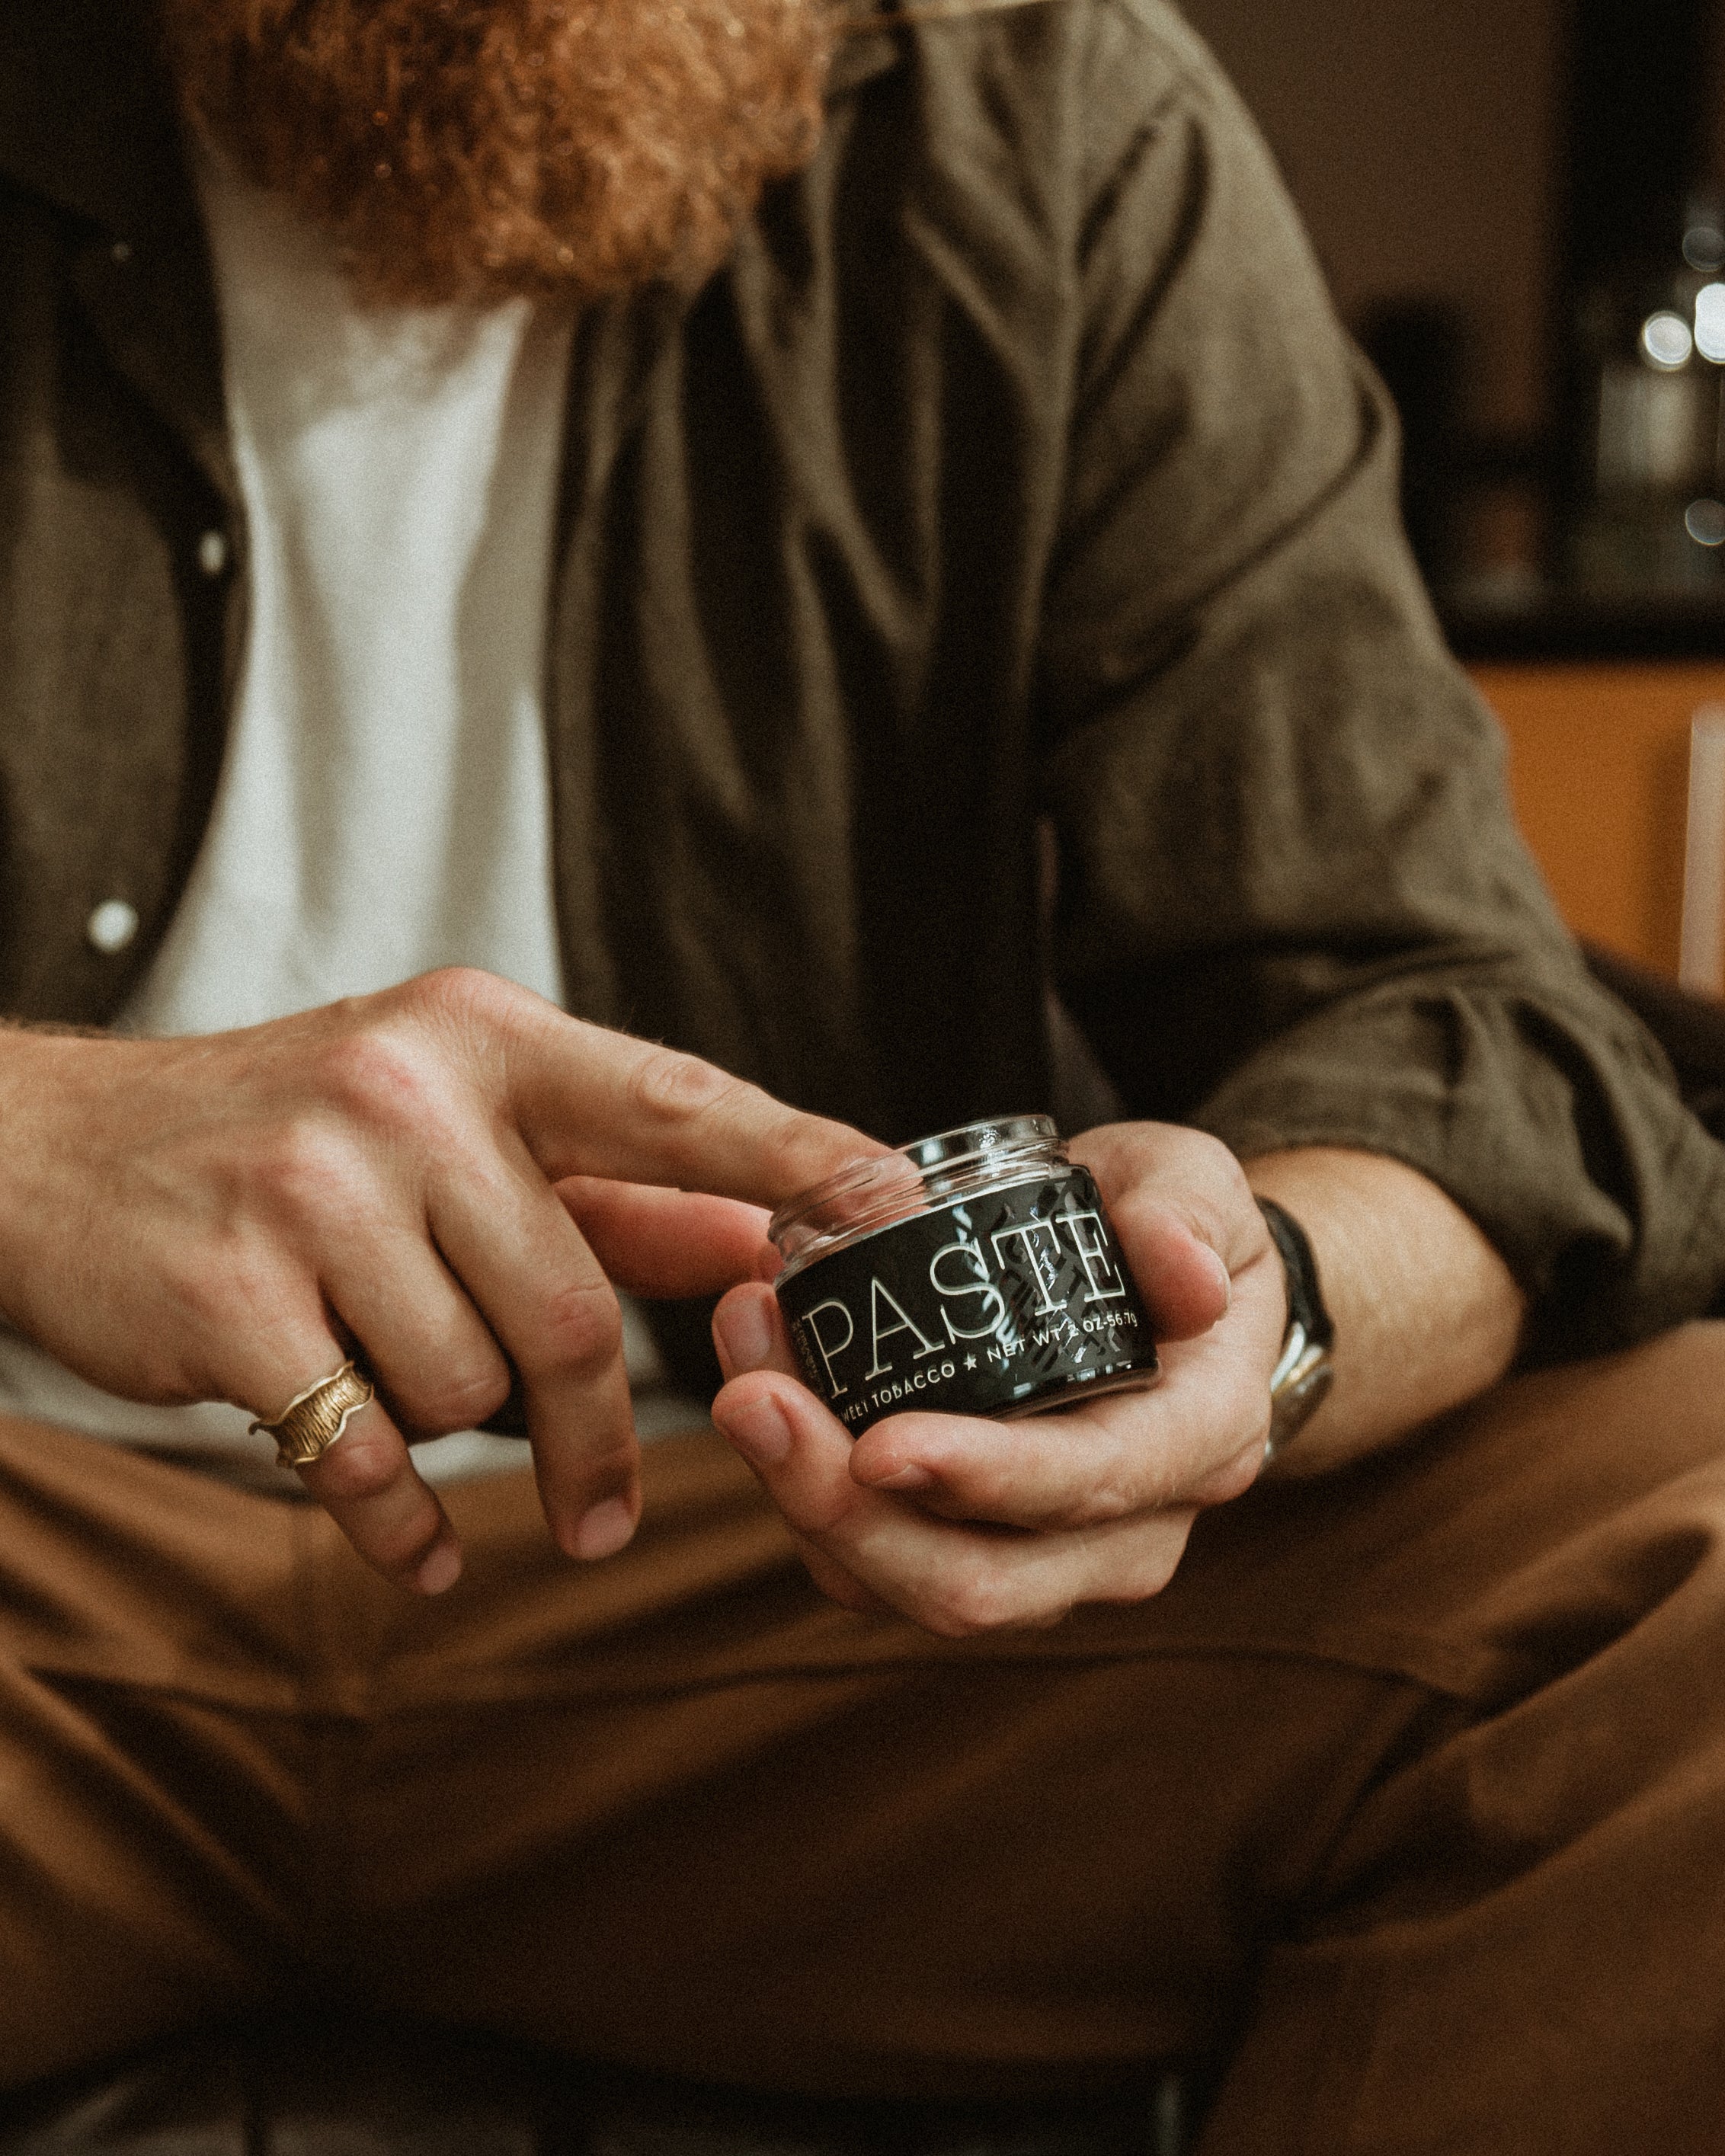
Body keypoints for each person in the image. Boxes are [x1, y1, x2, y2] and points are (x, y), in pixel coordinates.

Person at [2, 0, 1723, 2144]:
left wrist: (1248, 1325)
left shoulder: (1052, 120)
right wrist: (34, 1138)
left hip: (815, 1608)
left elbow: (1459, 1021)